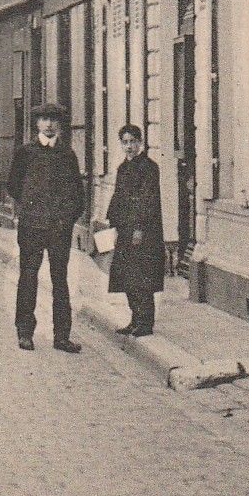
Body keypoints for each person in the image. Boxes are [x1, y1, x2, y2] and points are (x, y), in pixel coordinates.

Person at [6, 103, 85, 353]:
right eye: (44, 119)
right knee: (28, 277)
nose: (49, 124)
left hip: (59, 228)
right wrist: (32, 207)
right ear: (37, 124)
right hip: (32, 226)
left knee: (60, 280)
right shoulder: (25, 153)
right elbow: (13, 186)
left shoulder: (67, 155)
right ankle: (25, 333)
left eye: (53, 120)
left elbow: (77, 193)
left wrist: (66, 218)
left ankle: (62, 336)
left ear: (59, 124)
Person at [101, 124, 165, 337]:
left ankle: (145, 322)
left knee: (142, 277)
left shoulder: (149, 167)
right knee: (127, 276)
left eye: (132, 142)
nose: (129, 146)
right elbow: (118, 197)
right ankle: (135, 319)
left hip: (143, 231)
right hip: (125, 229)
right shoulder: (123, 168)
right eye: (125, 142)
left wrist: (139, 228)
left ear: (140, 143)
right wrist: (113, 225)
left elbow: (148, 201)